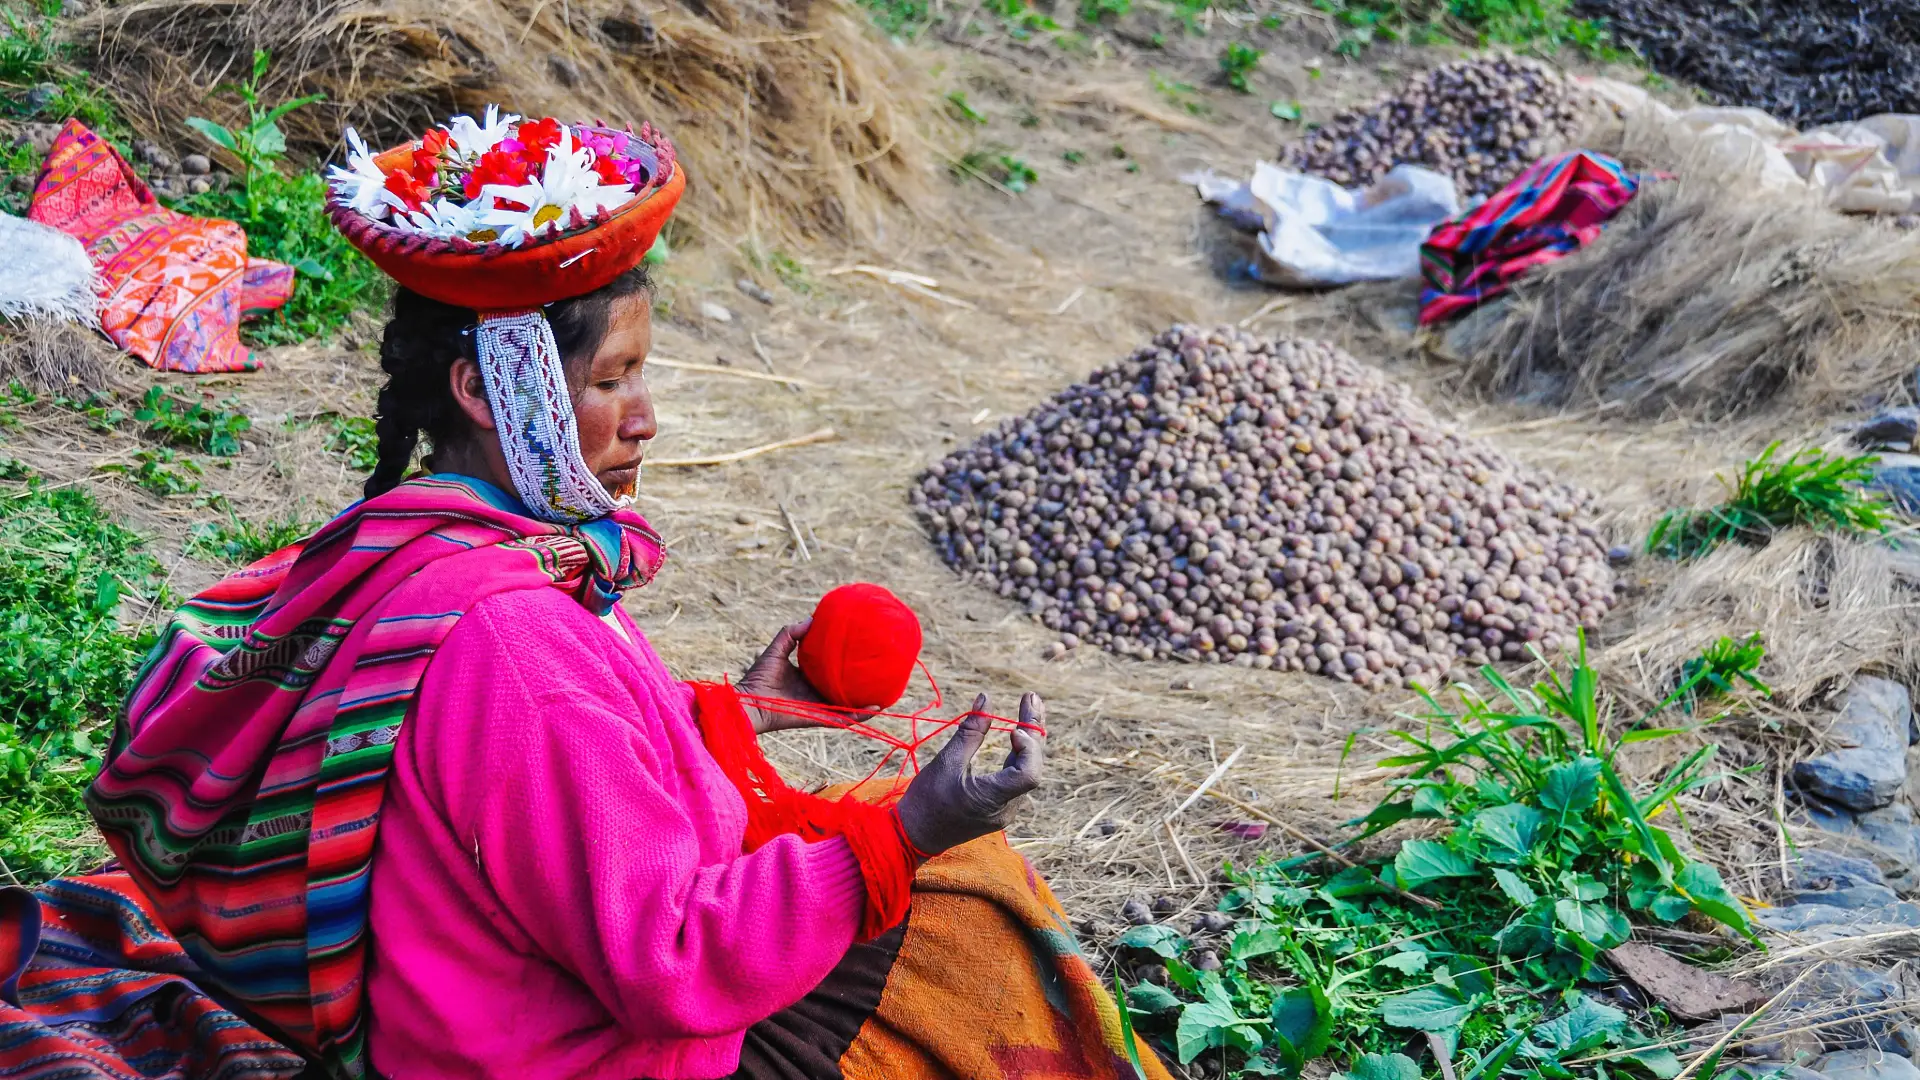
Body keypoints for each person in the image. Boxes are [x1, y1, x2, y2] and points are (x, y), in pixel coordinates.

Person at [58, 115, 1174, 1080]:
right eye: (609, 382)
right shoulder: (517, 638)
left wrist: (736, 716)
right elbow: (670, 964)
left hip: (455, 1014)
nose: (645, 419)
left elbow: (527, 786)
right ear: (486, 391)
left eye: (643, 374)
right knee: (968, 910)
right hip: (563, 1054)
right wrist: (919, 826)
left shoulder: (424, 551)